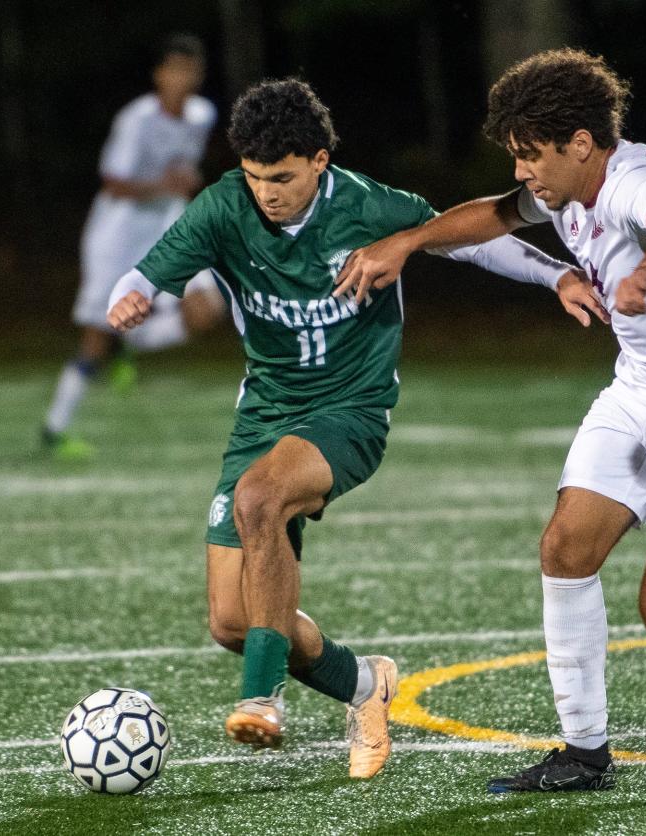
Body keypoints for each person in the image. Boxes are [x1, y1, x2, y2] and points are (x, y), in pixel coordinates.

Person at [334, 48, 646, 792]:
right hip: (641, 394)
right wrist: (407, 242)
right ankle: (584, 753)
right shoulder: (564, 188)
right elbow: (492, 215)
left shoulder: (633, 183)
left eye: (531, 155)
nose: (523, 170)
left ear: (581, 144)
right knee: (564, 549)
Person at [106, 77, 600, 778]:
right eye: (254, 177)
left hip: (349, 412)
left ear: (318, 161)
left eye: (281, 177)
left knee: (258, 499)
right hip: (264, 414)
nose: (266, 193)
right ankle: (366, 686)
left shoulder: (367, 206)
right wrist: (128, 298)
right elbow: (144, 273)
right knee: (232, 622)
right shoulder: (224, 208)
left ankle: (262, 700)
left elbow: (465, 242)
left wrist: (557, 277)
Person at [42, 33, 225, 461]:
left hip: (167, 224)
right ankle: (55, 427)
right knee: (95, 338)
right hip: (118, 231)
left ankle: (132, 344)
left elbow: (184, 168)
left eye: (190, 70)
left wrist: (183, 184)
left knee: (207, 310)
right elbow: (114, 182)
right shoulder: (136, 119)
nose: (182, 79)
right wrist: (165, 184)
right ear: (159, 75)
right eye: (174, 70)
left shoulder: (202, 114)